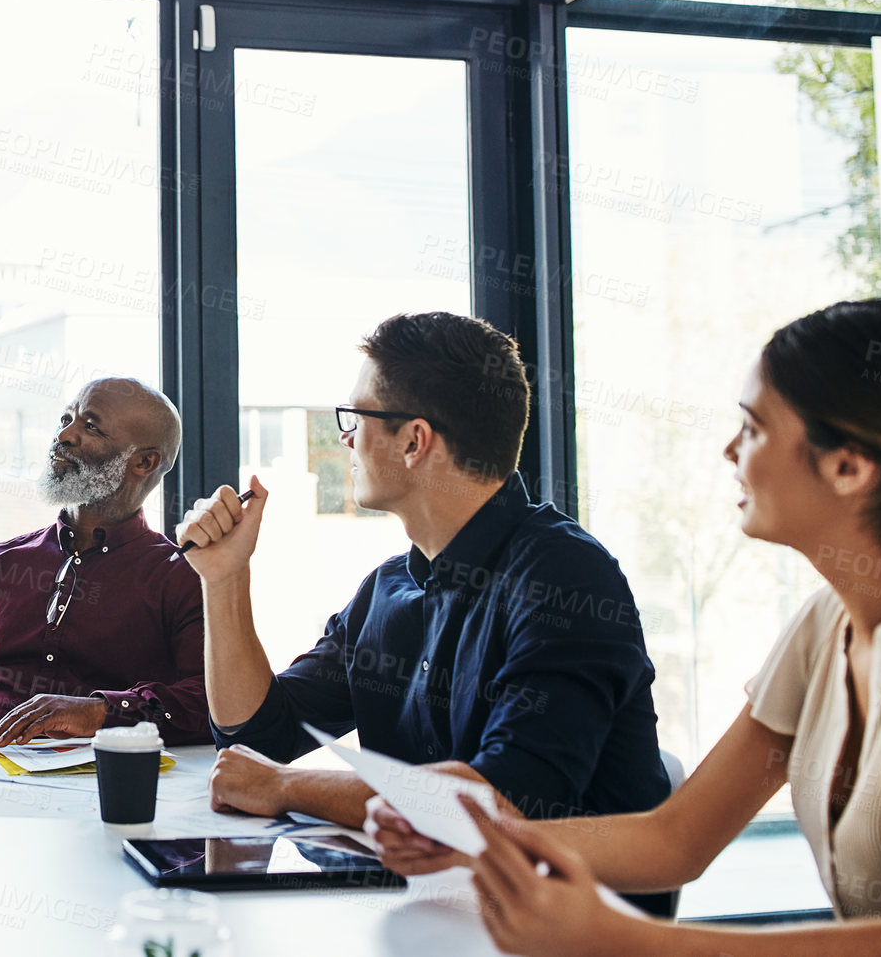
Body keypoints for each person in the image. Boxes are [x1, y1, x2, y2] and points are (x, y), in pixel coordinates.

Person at [368, 300, 881, 955]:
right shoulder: (825, 627)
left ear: (848, 467)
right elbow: (675, 839)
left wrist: (631, 940)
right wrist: (469, 836)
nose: (729, 449)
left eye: (755, 429)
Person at [176, 312, 670, 830]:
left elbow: (507, 798)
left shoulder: (566, 578)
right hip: (429, 896)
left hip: (558, 907)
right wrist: (224, 578)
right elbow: (257, 742)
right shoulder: (389, 588)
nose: (345, 439)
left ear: (414, 441)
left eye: (355, 417)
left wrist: (284, 788)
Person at [0, 377, 211, 746]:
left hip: (108, 788)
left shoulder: (185, 578)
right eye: (66, 419)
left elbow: (214, 703)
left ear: (144, 461)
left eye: (90, 426)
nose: (64, 436)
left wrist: (100, 712)